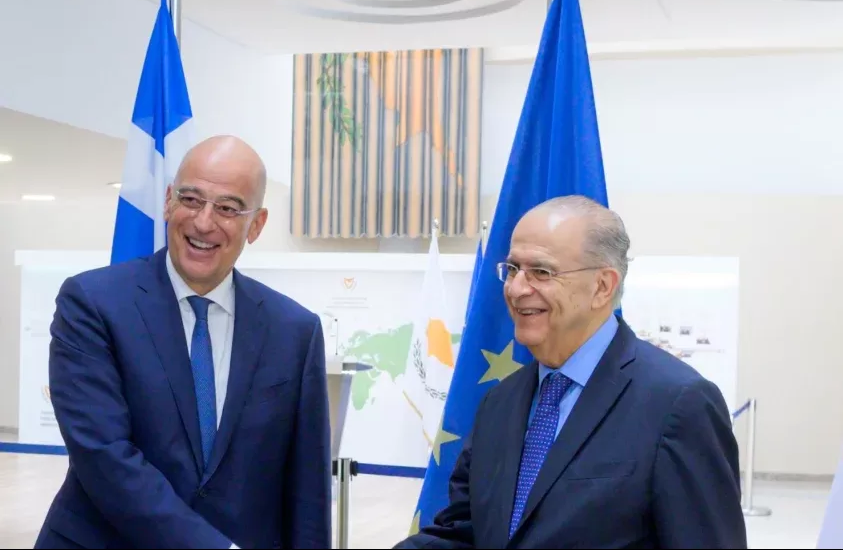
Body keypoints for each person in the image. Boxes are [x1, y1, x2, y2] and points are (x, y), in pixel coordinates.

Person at [394, 195, 747, 549]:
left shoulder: (678, 404)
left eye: (541, 272)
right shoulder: (499, 402)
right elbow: (465, 533)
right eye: (513, 269)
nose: (516, 288)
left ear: (602, 287)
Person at [35, 136, 332, 550]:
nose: (204, 222)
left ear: (257, 225)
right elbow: (104, 456)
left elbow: (307, 490)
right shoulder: (92, 304)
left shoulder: (295, 330)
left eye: (227, 208)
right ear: (168, 201)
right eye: (191, 199)